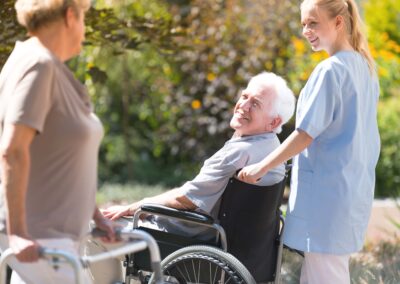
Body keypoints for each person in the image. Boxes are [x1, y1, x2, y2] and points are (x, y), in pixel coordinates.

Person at [88, 72, 295, 284]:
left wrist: (136, 207)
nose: (243, 105)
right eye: (244, 97)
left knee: (94, 231)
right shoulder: (273, 150)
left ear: (274, 121)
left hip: (195, 238)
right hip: (249, 253)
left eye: (256, 103)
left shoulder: (239, 152)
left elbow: (185, 200)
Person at [237, 1, 380, 283]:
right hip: (349, 193)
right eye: (303, 24)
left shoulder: (331, 71)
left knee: (324, 275)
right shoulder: (365, 68)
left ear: (339, 22)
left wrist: (260, 167)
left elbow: (305, 134)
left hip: (327, 199)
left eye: (313, 23)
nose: (306, 31)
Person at [0, 0, 116, 283]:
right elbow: (13, 150)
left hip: (54, 239)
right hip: (42, 242)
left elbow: (57, 153)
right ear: (70, 16)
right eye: (84, 19)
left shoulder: (38, 62)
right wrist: (17, 234)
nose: (84, 30)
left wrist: (94, 214)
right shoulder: (39, 65)